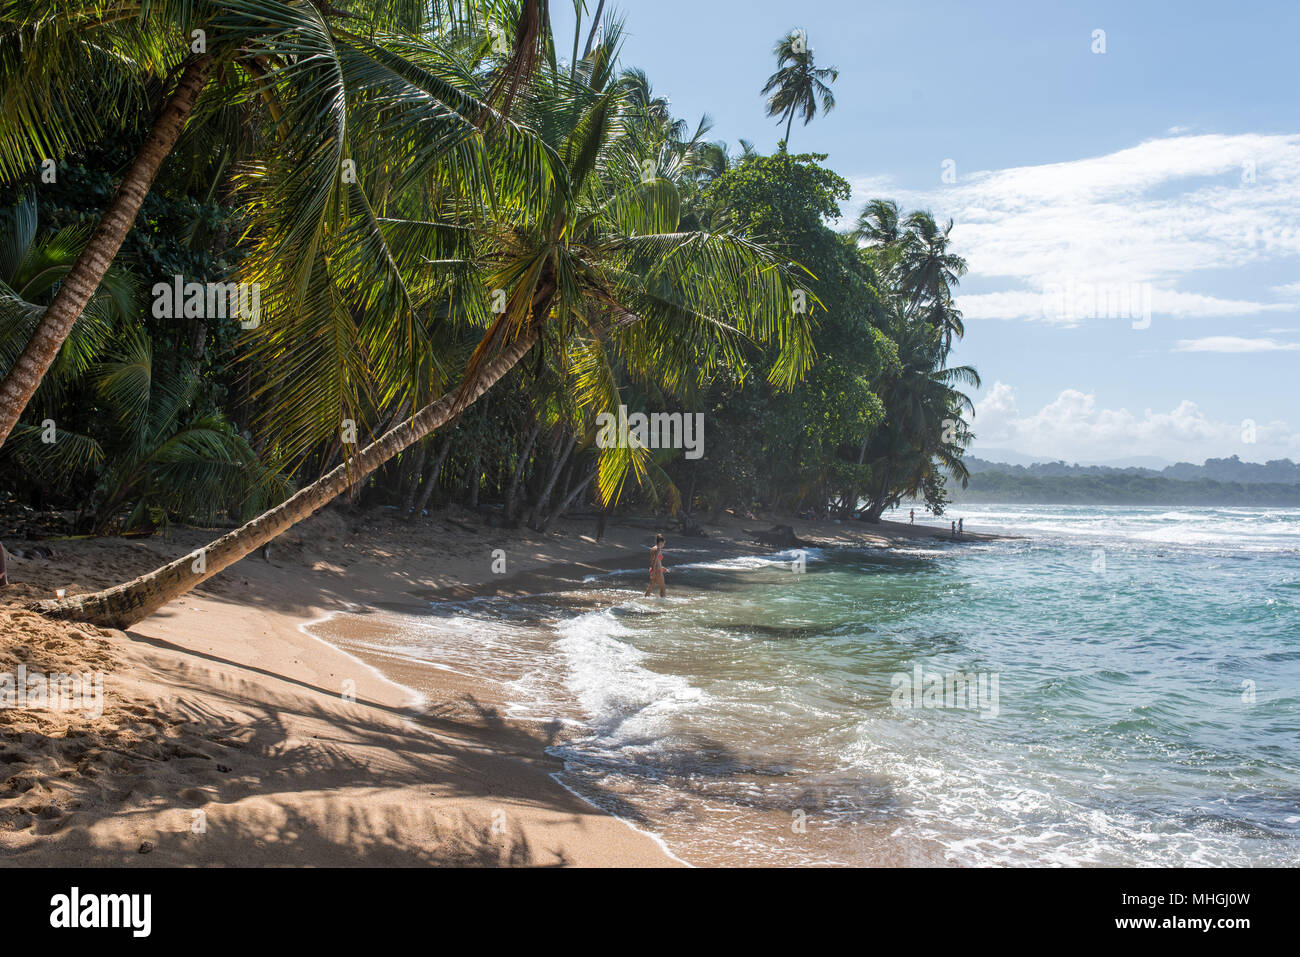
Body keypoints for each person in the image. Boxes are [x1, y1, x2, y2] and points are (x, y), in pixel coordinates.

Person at [645, 532, 667, 598]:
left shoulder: (653, 548)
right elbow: (655, 561)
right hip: (657, 570)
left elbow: (654, 561)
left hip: (653, 569)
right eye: (663, 543)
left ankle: (645, 599)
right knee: (663, 588)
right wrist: (654, 572)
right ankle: (663, 603)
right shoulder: (658, 549)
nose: (663, 545)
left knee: (651, 587)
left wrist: (661, 567)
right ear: (661, 542)